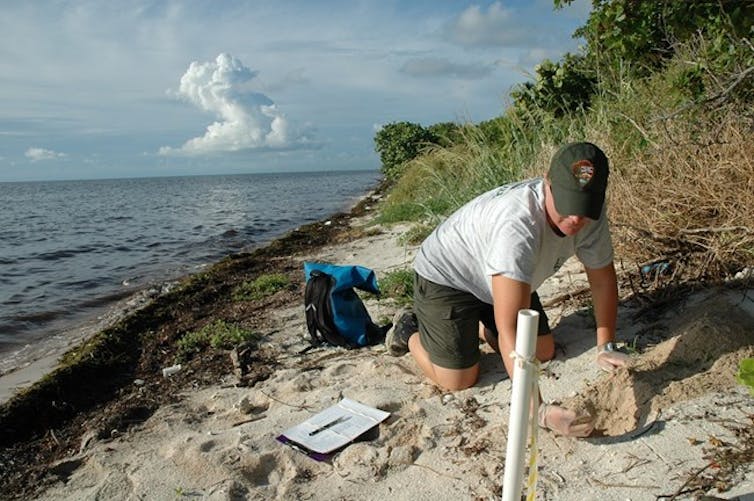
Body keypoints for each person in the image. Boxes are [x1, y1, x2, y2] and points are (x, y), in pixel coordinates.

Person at [386, 142, 629, 437]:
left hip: (500, 277)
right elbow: (512, 327)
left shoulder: (591, 215)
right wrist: (538, 410)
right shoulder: (517, 224)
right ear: (546, 183)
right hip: (448, 275)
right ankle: (409, 329)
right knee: (459, 378)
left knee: (543, 350)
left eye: (584, 207)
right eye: (567, 204)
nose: (576, 219)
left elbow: (602, 280)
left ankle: (473, 325)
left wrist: (606, 346)